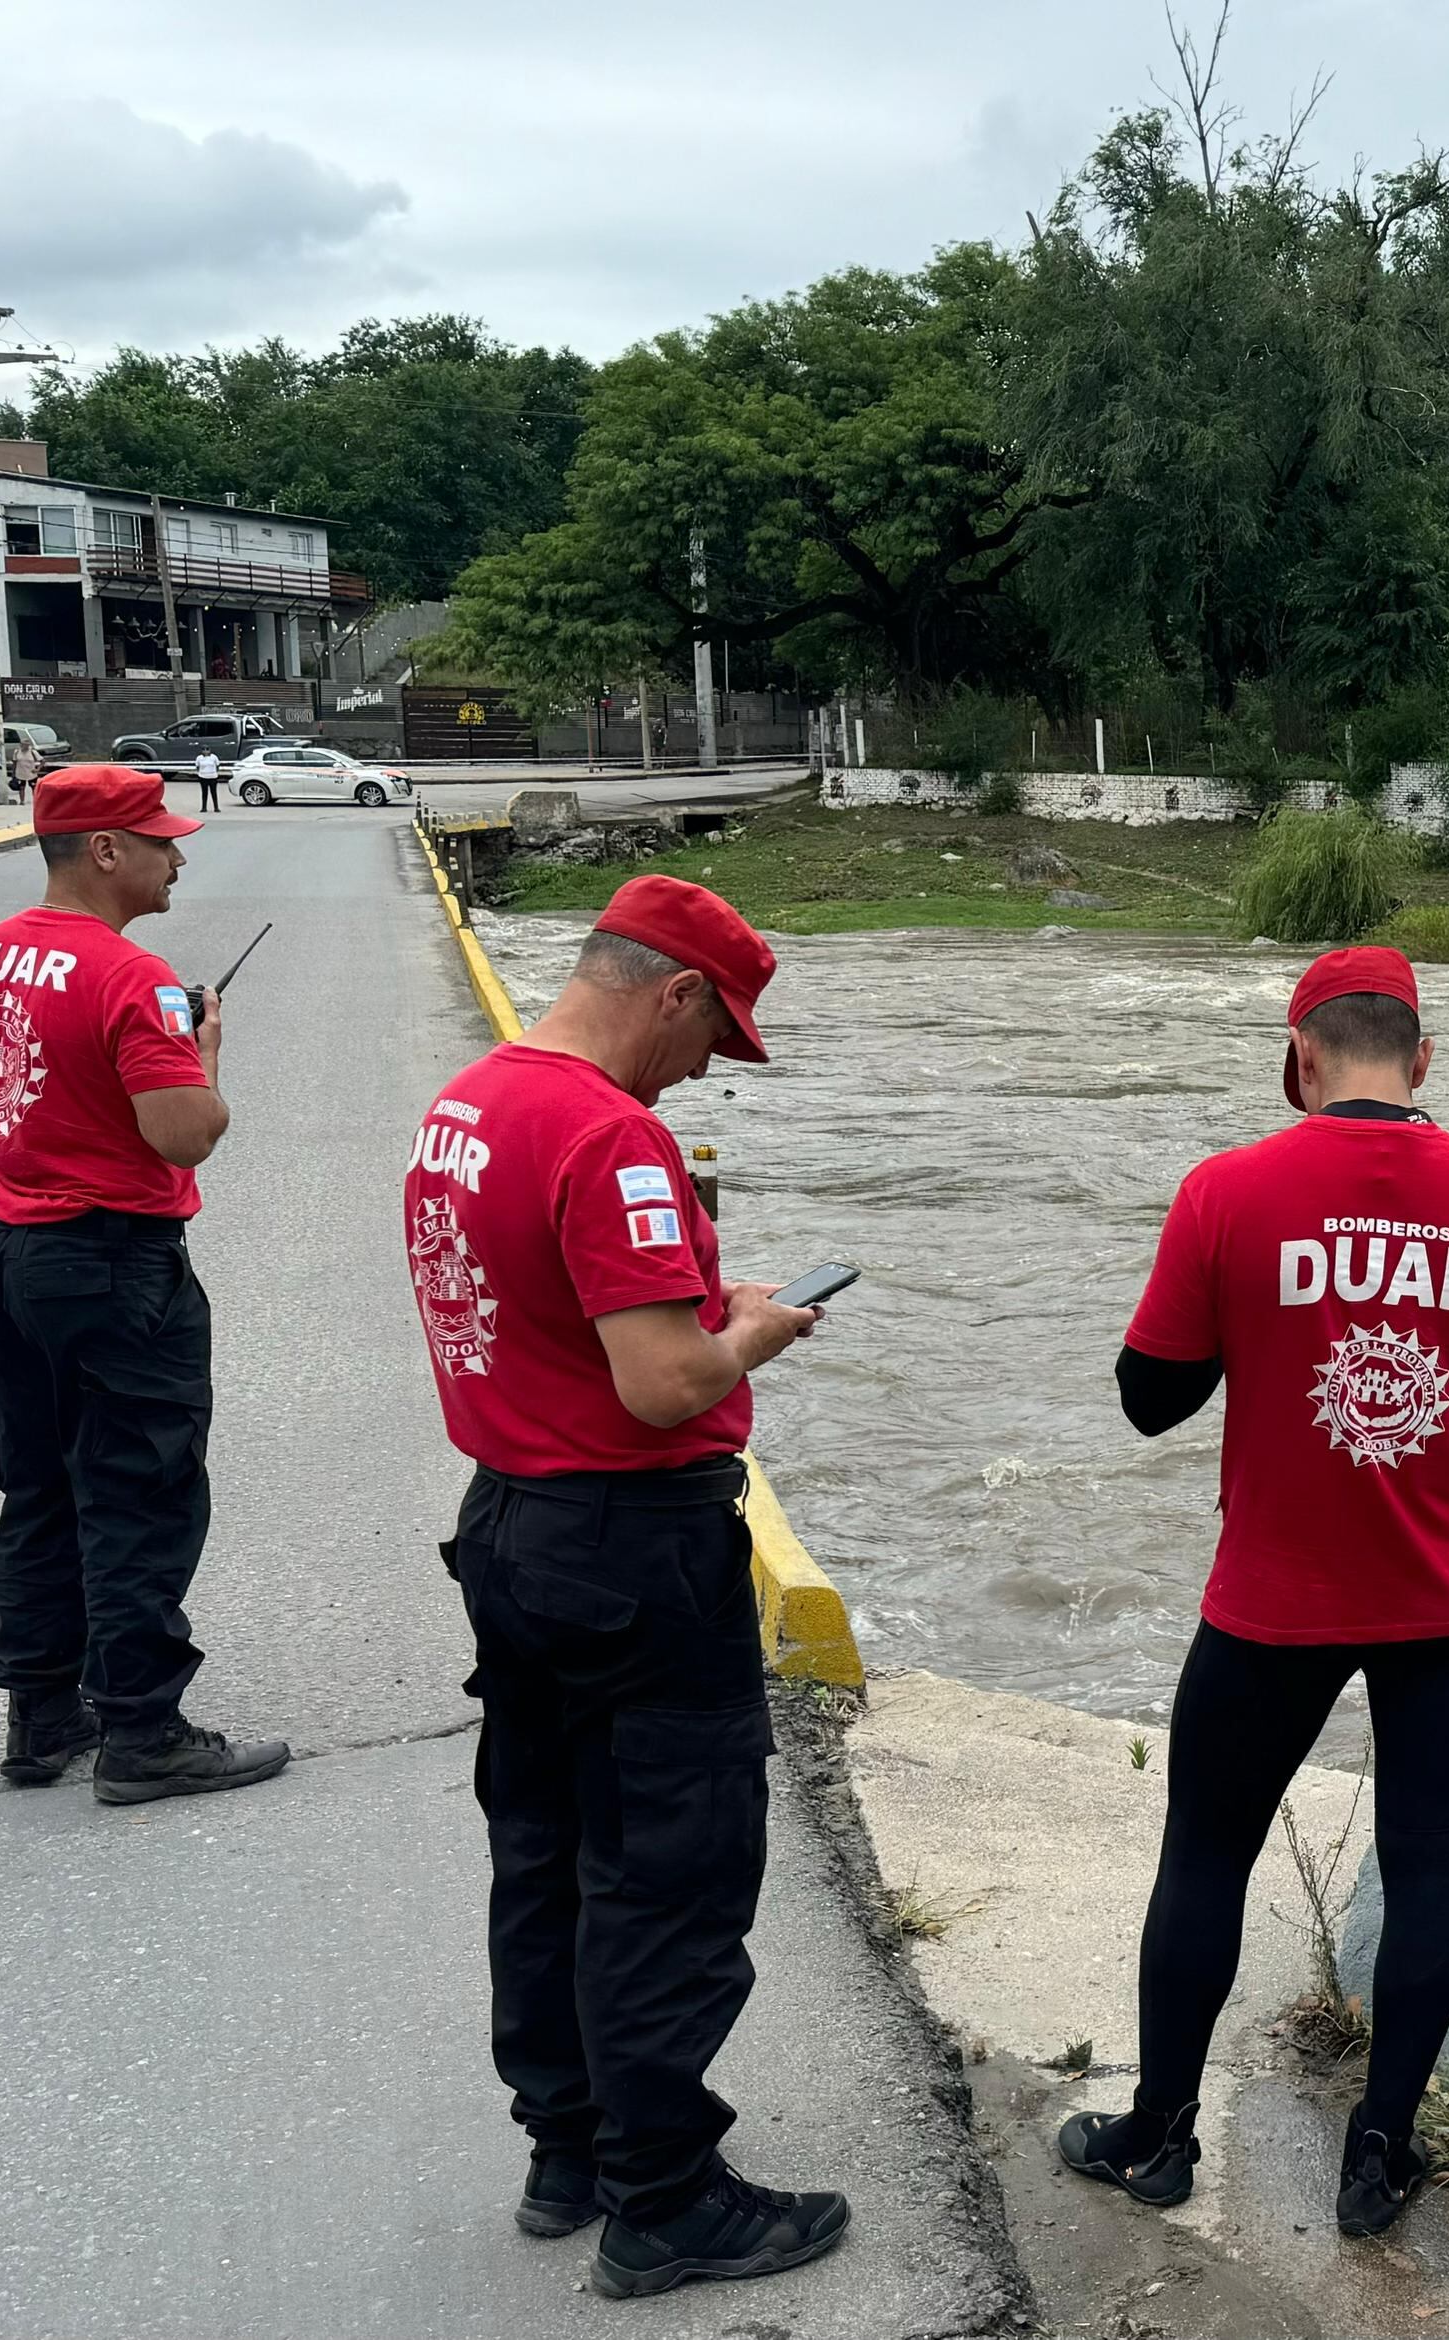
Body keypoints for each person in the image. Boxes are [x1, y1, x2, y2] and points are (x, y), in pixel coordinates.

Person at [1058, 945, 1449, 2238]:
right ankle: (1379, 2154)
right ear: (1420, 1058)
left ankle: (1159, 2137)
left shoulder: (1228, 1193)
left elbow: (1148, 1397)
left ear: (1299, 1057)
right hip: (1446, 1597)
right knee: (1429, 1867)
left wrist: (1265, 1319)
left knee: (1205, 1856)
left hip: (1272, 1602)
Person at [402, 873, 848, 2299]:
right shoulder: (614, 1137)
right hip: (634, 1549)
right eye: (717, 1034)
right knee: (668, 1863)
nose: (713, 1064)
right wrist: (754, 1331)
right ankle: (667, 2200)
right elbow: (662, 1385)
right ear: (673, 992)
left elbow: (548, 1317)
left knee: (542, 1845)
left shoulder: (468, 1106)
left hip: (512, 1527)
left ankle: (570, 2150)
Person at [0, 765, 288, 1802]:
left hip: (5, 1261)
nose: (176, 857)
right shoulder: (129, 978)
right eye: (160, 840)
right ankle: (143, 1730)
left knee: (38, 1486)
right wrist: (203, 1055)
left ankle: (43, 1712)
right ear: (104, 850)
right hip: (113, 1266)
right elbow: (184, 1133)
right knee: (140, 1488)